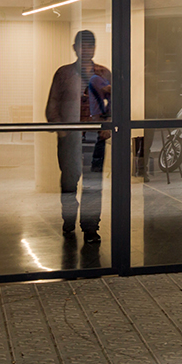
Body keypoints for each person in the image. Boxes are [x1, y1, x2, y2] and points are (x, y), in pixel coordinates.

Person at [45, 29, 111, 247]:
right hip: (70, 138)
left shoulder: (104, 73)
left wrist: (108, 124)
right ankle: (68, 219)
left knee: (93, 185)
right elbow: (53, 103)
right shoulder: (63, 73)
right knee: (69, 181)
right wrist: (60, 129)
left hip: (95, 137)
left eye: (91, 46)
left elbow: (115, 102)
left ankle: (91, 228)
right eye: (83, 46)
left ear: (95, 48)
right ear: (75, 48)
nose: (87, 50)